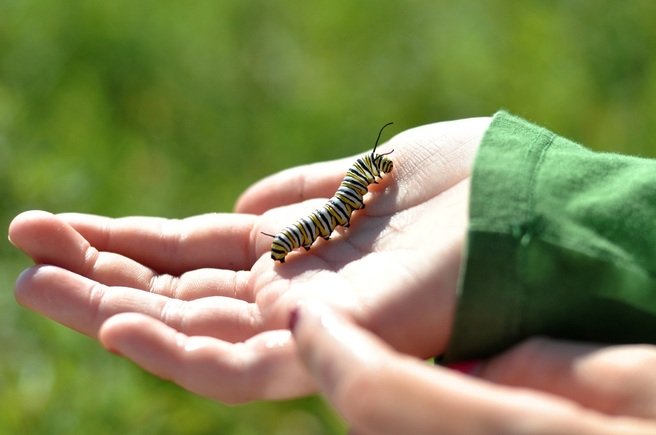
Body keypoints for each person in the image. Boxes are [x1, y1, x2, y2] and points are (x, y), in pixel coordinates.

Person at [8, 112, 656, 434]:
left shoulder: (359, 197)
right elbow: (346, 210)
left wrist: (519, 194)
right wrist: (517, 191)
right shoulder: (336, 214)